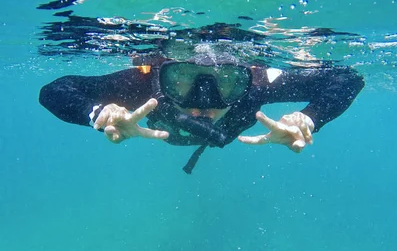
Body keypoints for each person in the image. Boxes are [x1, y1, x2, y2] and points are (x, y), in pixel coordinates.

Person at [39, 43, 364, 173]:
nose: (202, 99)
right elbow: (55, 90)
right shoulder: (141, 83)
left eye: (225, 82)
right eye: (181, 79)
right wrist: (98, 113)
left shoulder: (259, 84)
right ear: (161, 74)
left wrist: (308, 118)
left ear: (247, 77)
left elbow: (347, 79)